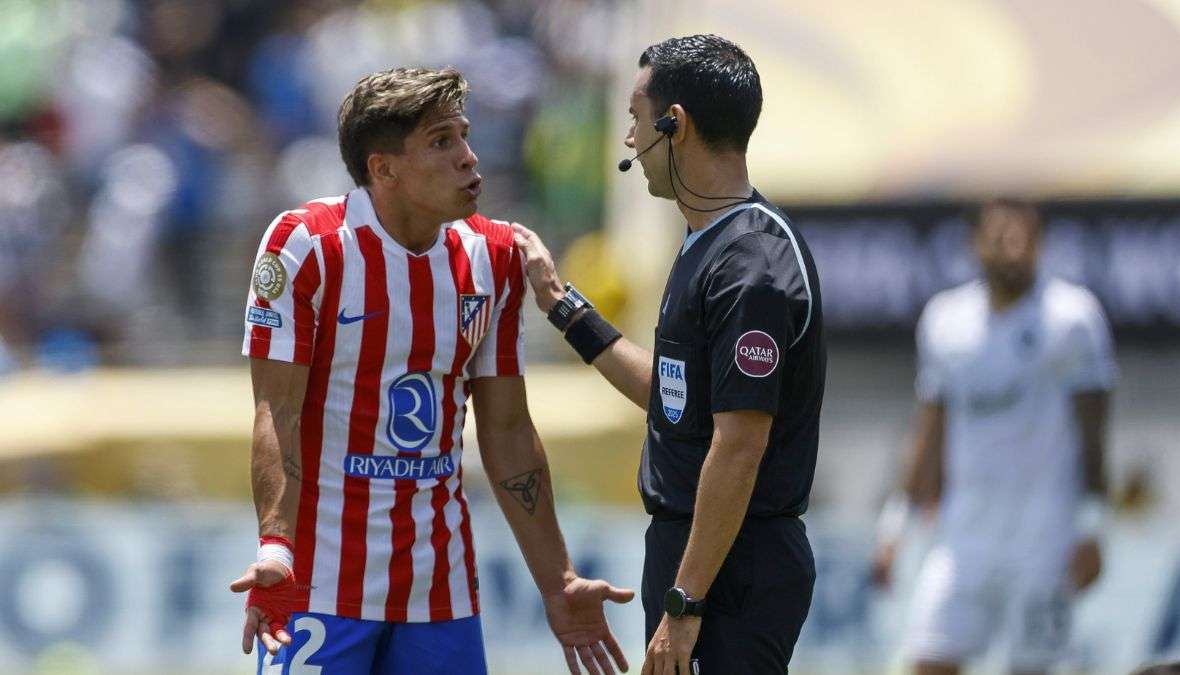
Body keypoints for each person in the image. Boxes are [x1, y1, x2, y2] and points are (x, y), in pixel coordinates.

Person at [228, 67, 633, 675]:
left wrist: (559, 580)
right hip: (318, 582)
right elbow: (276, 411)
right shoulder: (306, 245)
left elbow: (507, 432)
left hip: (440, 593)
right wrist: (276, 548)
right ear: (384, 169)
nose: (469, 157)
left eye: (464, 135)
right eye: (442, 142)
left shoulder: (494, 257)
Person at [514, 34, 824, 675]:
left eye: (636, 118)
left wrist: (686, 604)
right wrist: (563, 307)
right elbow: (678, 399)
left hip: (731, 568)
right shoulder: (707, 241)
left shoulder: (752, 266)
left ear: (673, 124)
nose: (630, 139)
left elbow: (738, 446)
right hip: (700, 558)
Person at [870, 198, 1116, 674]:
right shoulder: (945, 320)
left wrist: (1092, 525)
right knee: (928, 659)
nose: (1012, 248)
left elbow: (1095, 433)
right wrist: (896, 524)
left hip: (1044, 538)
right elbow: (931, 428)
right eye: (1000, 236)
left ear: (1039, 244)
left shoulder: (1073, 318)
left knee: (1032, 668)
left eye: (1023, 237)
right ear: (976, 244)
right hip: (964, 538)